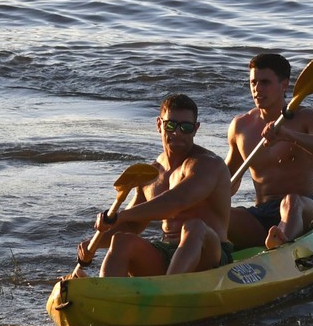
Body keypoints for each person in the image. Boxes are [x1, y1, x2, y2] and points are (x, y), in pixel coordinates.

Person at [87, 94, 236, 278]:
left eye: (186, 127)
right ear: (159, 124)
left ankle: (168, 290)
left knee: (194, 226)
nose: (177, 133)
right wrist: (93, 243)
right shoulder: (150, 173)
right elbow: (133, 225)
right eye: (171, 125)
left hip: (210, 255)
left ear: (196, 129)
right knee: (121, 241)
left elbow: (177, 203)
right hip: (166, 252)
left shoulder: (207, 164)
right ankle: (106, 293)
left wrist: (119, 216)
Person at [225, 53, 313, 250]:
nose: (257, 89)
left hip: (306, 208)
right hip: (261, 214)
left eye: (265, 82)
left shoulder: (309, 117)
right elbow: (228, 178)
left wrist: (288, 135)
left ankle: (281, 245)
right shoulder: (240, 126)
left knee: (291, 201)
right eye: (253, 82)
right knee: (219, 214)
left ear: (284, 85)